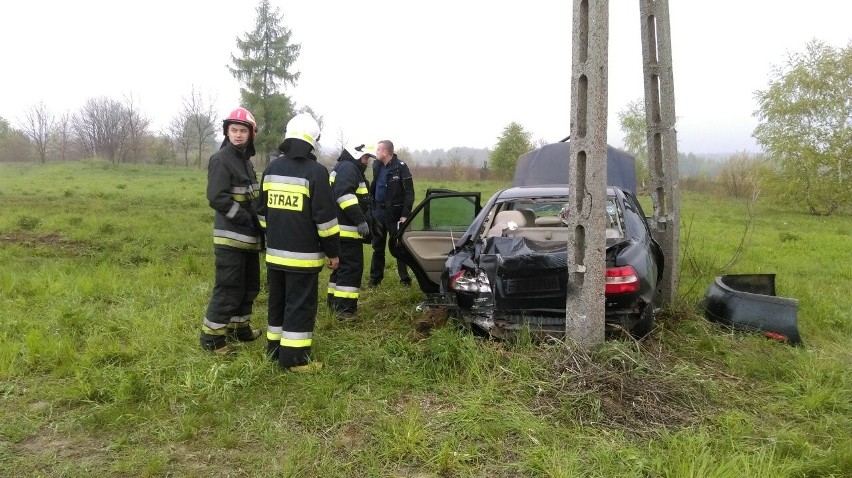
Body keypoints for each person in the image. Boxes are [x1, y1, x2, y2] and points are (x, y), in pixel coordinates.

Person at [257, 112, 339, 372]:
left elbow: (261, 213)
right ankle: (294, 360)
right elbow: (325, 220)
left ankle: (274, 351)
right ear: (312, 141)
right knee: (300, 305)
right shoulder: (316, 172)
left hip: (274, 254)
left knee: (277, 302)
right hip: (302, 257)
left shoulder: (271, 169)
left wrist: (276, 235)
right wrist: (333, 253)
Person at [199, 107, 264, 355]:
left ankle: (240, 328)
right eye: (233, 130)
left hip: (248, 240)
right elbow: (217, 198)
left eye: (242, 131)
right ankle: (212, 339)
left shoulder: (245, 161)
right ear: (227, 132)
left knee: (249, 286)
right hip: (231, 239)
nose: (237, 135)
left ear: (251, 134)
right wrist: (248, 220)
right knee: (228, 287)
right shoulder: (221, 159)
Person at [328, 143, 376, 319]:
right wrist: (361, 220)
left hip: (339, 231)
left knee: (340, 269)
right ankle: (345, 310)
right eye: (365, 157)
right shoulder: (349, 168)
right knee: (351, 269)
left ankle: (334, 304)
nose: (367, 162)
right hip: (346, 232)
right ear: (356, 154)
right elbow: (344, 196)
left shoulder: (343, 166)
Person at [368, 140, 415, 287]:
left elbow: (409, 192)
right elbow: (374, 186)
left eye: (378, 150)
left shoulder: (401, 167)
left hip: (395, 214)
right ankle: (375, 279)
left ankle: (405, 279)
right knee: (377, 247)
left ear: (385, 152)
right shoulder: (376, 166)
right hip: (379, 213)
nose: (376, 153)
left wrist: (405, 213)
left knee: (399, 247)